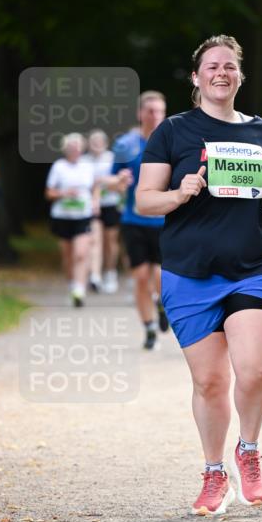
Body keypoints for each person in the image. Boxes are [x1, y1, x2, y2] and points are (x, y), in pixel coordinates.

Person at [135, 35, 262, 517]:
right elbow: (145, 200)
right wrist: (179, 194)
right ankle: (213, 472)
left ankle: (248, 451)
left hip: (255, 268)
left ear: (239, 76)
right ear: (196, 78)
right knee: (209, 382)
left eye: (229, 66)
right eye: (212, 66)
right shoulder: (174, 131)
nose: (221, 73)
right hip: (191, 272)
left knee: (256, 369)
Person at [106, 92, 170, 349]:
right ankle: (148, 327)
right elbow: (111, 180)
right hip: (134, 220)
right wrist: (119, 182)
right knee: (141, 276)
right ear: (140, 114)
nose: (154, 116)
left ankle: (162, 304)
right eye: (150, 111)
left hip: (164, 221)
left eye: (159, 111)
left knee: (160, 276)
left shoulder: (171, 141)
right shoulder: (125, 144)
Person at [45, 132, 99, 306]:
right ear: (65, 149)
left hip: (83, 215)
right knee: (68, 256)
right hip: (62, 216)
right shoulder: (59, 167)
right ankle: (71, 285)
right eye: (71, 147)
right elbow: (49, 192)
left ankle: (79, 290)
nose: (75, 150)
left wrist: (95, 201)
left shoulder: (87, 166)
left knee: (81, 253)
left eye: (77, 146)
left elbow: (95, 186)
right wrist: (64, 193)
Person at [85, 129, 121, 294]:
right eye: (93, 143)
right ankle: (95, 275)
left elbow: (120, 182)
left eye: (99, 143)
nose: (96, 146)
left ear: (105, 144)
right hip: (92, 205)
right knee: (94, 240)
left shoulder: (112, 159)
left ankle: (110, 272)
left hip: (111, 203)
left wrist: (103, 182)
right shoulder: (84, 161)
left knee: (110, 241)